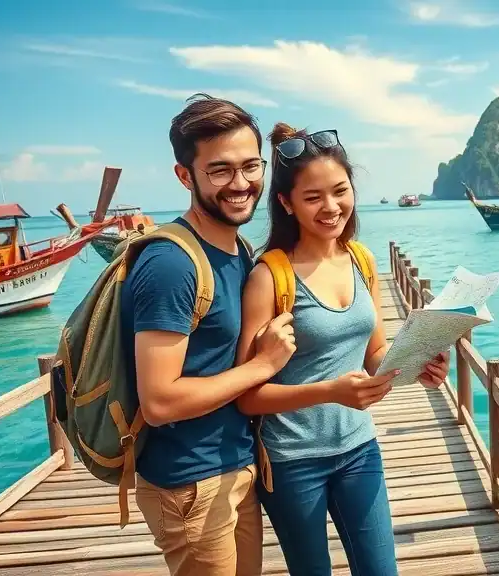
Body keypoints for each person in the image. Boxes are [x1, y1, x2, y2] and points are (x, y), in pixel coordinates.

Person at [233, 123, 450, 575]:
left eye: (340, 191)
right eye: (313, 198)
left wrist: (417, 363)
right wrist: (330, 391)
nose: (331, 208)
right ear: (286, 204)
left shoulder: (361, 260)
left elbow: (374, 353)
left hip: (359, 448)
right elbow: (248, 395)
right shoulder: (268, 277)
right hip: (292, 463)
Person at [121, 94, 291, 576]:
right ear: (185, 176)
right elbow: (159, 401)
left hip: (235, 464)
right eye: (219, 171)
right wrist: (261, 367)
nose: (241, 184)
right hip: (188, 483)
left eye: (251, 166)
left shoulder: (237, 248)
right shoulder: (172, 264)